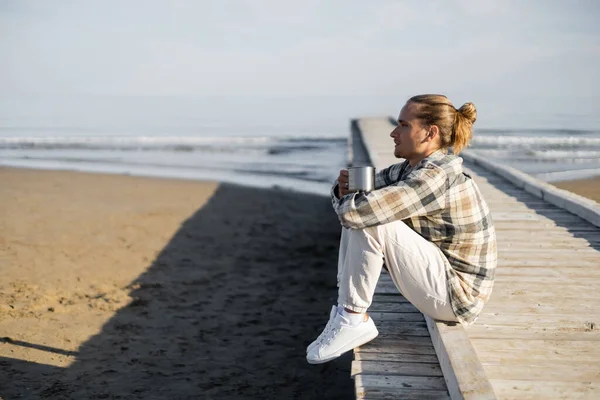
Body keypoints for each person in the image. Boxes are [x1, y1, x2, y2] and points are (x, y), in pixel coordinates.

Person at [306, 94, 497, 365]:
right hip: (442, 279)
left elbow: (354, 212)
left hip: (458, 298)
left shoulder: (434, 176)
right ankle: (345, 313)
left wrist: (347, 199)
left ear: (430, 133)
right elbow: (361, 197)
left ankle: (352, 317)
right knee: (368, 212)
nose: (394, 133)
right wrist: (343, 188)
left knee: (371, 218)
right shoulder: (412, 168)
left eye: (404, 125)